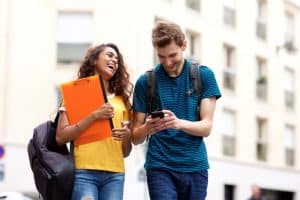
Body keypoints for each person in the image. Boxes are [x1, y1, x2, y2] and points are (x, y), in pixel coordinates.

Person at [132, 20, 221, 200]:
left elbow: (206, 127)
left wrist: (177, 123)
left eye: (172, 55)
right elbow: (135, 137)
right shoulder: (145, 82)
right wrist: (146, 128)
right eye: (161, 56)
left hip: (195, 167)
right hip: (160, 166)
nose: (167, 62)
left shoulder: (204, 75)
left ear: (184, 45)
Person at [56, 43, 133, 200]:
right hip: (84, 172)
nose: (115, 61)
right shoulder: (77, 93)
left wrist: (127, 135)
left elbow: (125, 152)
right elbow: (61, 136)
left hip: (115, 175)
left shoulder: (122, 100)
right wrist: (94, 115)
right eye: (109, 55)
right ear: (94, 60)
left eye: (117, 59)